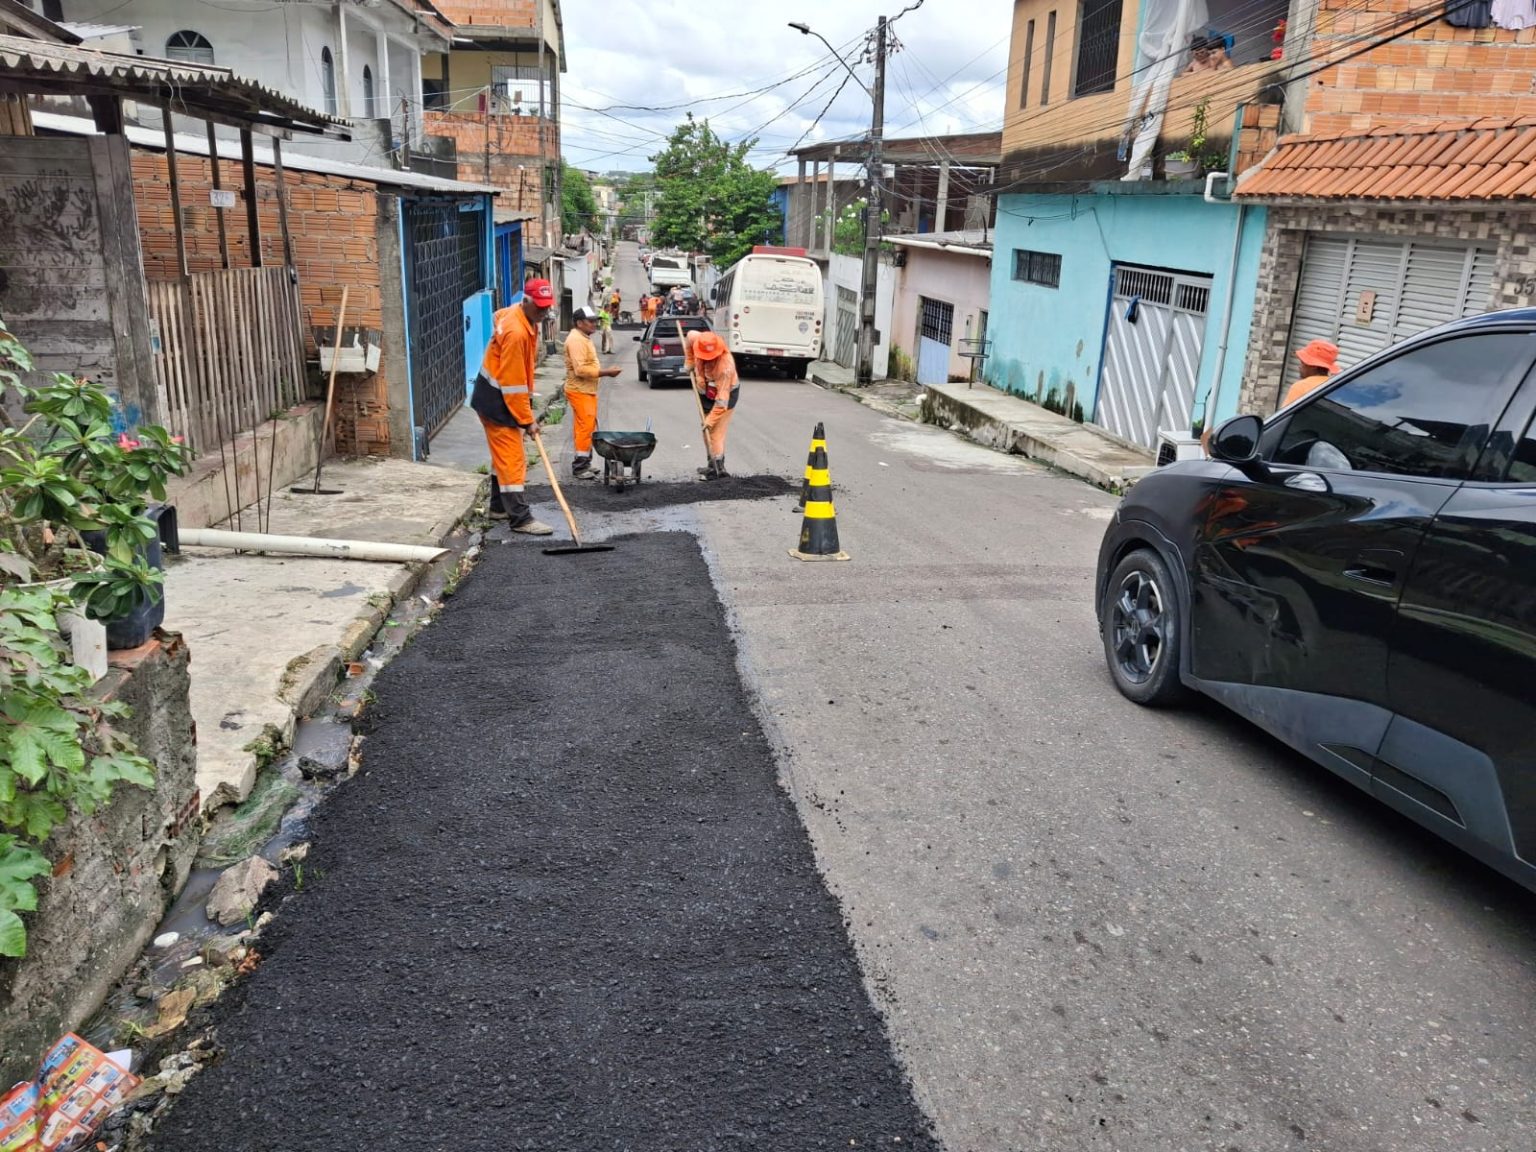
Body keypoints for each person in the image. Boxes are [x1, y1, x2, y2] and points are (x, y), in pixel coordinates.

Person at [471, 278, 557, 535]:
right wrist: (527, 419)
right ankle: (520, 518)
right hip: (498, 400)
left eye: (547, 307)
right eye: (539, 307)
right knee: (512, 460)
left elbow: (498, 315)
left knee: (503, 457)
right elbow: (513, 384)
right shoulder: (517, 332)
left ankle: (498, 507)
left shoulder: (516, 316)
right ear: (526, 301)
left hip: (494, 395)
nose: (543, 312)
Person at [564, 306, 622, 479]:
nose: (594, 324)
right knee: (585, 428)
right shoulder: (576, 340)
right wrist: (606, 372)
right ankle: (580, 467)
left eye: (595, 321)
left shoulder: (583, 337)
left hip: (585, 390)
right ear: (579, 323)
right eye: (591, 321)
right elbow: (580, 370)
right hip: (580, 390)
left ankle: (584, 462)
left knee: (585, 426)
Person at [684, 330, 740, 479]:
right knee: (706, 430)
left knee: (715, 430)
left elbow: (722, 402)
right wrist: (689, 361)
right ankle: (711, 464)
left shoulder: (725, 367)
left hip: (726, 393)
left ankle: (719, 467)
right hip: (706, 389)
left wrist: (710, 420)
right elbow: (689, 338)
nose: (708, 359)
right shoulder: (696, 339)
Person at [1281, 339, 1340, 407]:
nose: (1299, 366)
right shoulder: (1334, 386)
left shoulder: (1300, 387)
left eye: (1302, 362)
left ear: (1314, 366)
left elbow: (1284, 416)